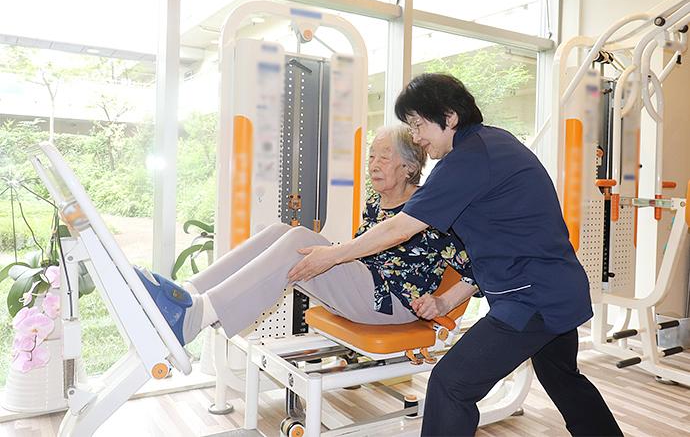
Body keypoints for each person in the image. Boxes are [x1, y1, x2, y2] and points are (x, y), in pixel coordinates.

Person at [288, 74, 623, 436]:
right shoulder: (493, 143)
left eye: (418, 125)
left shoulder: (469, 159)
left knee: (451, 386)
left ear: (449, 117)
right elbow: (489, 245)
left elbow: (400, 228)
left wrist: (332, 255)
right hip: (557, 290)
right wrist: (446, 301)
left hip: (532, 300)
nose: (416, 137)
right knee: (564, 381)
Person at [138, 124, 477, 349]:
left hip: (392, 303)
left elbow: (477, 268)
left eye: (384, 157)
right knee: (279, 232)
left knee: (298, 240)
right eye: (371, 156)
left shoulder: (431, 209)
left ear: (409, 167)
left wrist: (444, 303)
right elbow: (363, 255)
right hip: (367, 288)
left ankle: (196, 317)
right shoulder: (376, 204)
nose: (373, 164)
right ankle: (188, 295)